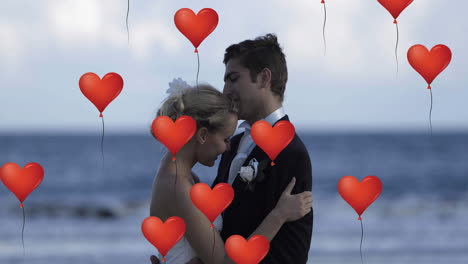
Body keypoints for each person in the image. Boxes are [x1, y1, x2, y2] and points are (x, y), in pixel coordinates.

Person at [149, 84, 312, 264]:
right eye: (225, 139)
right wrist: (279, 215)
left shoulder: (181, 175)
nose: (228, 148)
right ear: (203, 135)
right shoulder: (177, 187)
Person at [211, 33, 313, 263]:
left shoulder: (291, 152)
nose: (225, 90)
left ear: (264, 78)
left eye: (233, 78)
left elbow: (291, 251)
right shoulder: (233, 144)